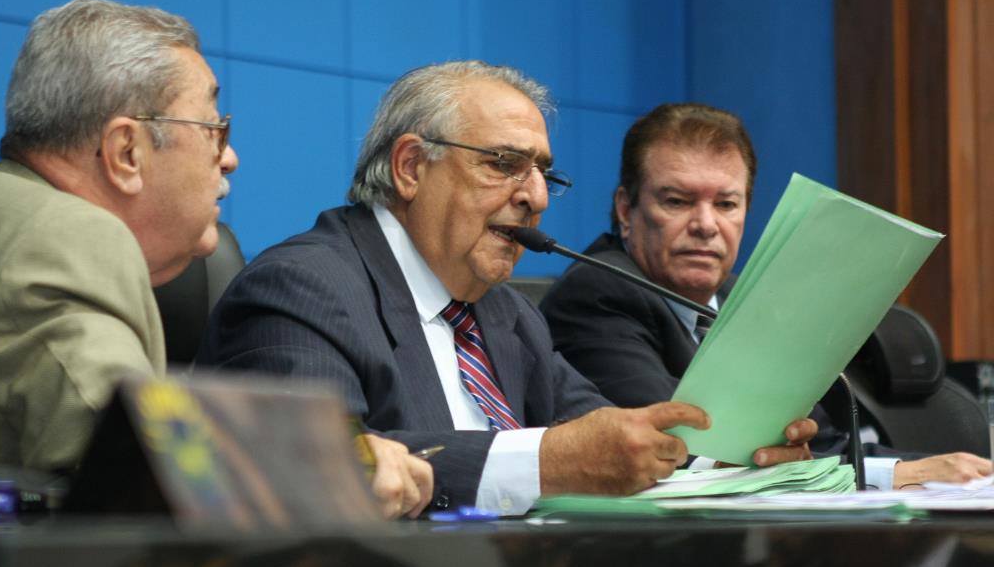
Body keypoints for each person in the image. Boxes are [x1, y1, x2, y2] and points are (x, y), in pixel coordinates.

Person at [197, 61, 817, 515]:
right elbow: (318, 470)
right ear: (411, 167)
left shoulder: (505, 313)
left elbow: (608, 437)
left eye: (543, 172)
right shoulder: (302, 288)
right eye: (504, 164)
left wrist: (727, 460)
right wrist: (546, 463)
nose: (536, 196)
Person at [0, 0, 430, 519]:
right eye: (214, 129)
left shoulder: (2, 214)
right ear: (126, 152)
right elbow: (138, 463)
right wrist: (338, 462)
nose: (229, 157)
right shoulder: (68, 234)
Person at [540, 102, 993, 489]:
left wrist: (917, 470)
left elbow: (818, 442)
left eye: (726, 204)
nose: (706, 225)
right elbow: (678, 451)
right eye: (677, 201)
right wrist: (890, 475)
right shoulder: (598, 293)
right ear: (626, 210)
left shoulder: (743, 296)